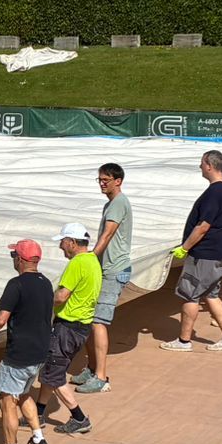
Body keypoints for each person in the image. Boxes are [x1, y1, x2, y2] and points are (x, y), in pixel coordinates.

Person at [0, 242, 54, 444]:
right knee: (24, 394)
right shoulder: (46, 283)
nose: (12, 258)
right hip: (39, 352)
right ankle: (38, 439)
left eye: (13, 255)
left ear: (20, 259)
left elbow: (1, 320)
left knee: (7, 401)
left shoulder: (16, 284)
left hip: (19, 355)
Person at [163, 150, 222, 350]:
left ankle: (184, 341)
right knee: (211, 293)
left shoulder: (214, 192)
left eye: (201, 163)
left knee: (189, 294)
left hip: (207, 252)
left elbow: (203, 226)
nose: (200, 166)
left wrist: (184, 248)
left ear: (209, 165)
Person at [41, 225, 103, 435]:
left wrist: (41, 302)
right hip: (81, 327)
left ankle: (79, 418)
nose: (61, 246)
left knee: (54, 375)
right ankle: (38, 412)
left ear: (72, 243)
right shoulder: (93, 260)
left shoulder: (77, 263)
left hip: (66, 328)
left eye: (63, 241)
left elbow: (61, 296)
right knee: (52, 369)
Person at [75, 163, 132, 395]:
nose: (101, 183)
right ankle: (91, 368)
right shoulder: (111, 203)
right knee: (91, 319)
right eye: (99, 179)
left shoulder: (118, 203)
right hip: (106, 269)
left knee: (99, 321)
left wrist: (91, 257)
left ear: (118, 181)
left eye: (106, 180)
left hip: (113, 270)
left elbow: (108, 234)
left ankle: (101, 377)